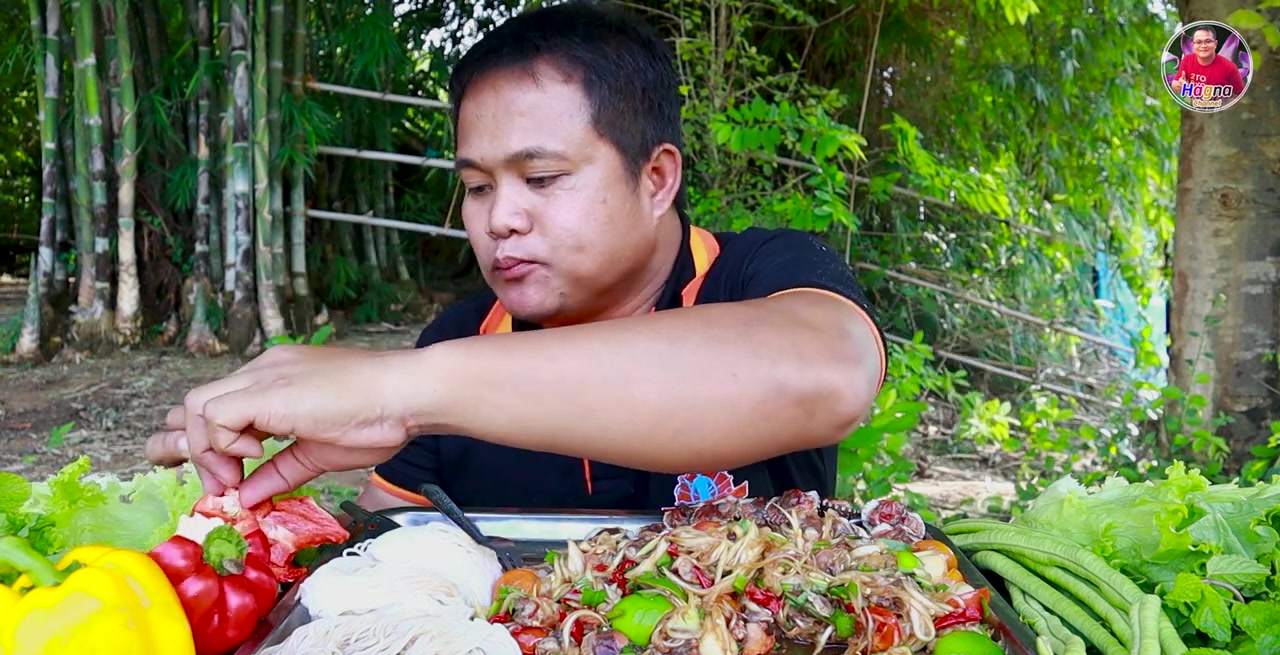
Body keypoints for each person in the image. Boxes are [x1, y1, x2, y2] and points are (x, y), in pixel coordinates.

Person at [144, 1, 887, 512]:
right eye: (474, 186)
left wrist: (398, 389)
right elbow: (381, 551)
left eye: (542, 179)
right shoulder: (457, 344)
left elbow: (828, 373)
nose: (500, 218)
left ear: (656, 178)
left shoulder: (759, 275)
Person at [1171, 26, 1245, 103]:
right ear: (1193, 45)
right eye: (1199, 42)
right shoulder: (1187, 60)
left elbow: (1240, 95)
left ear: (1215, 44)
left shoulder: (1230, 67)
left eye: (1208, 41)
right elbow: (1176, 83)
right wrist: (1180, 86)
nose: (1203, 46)